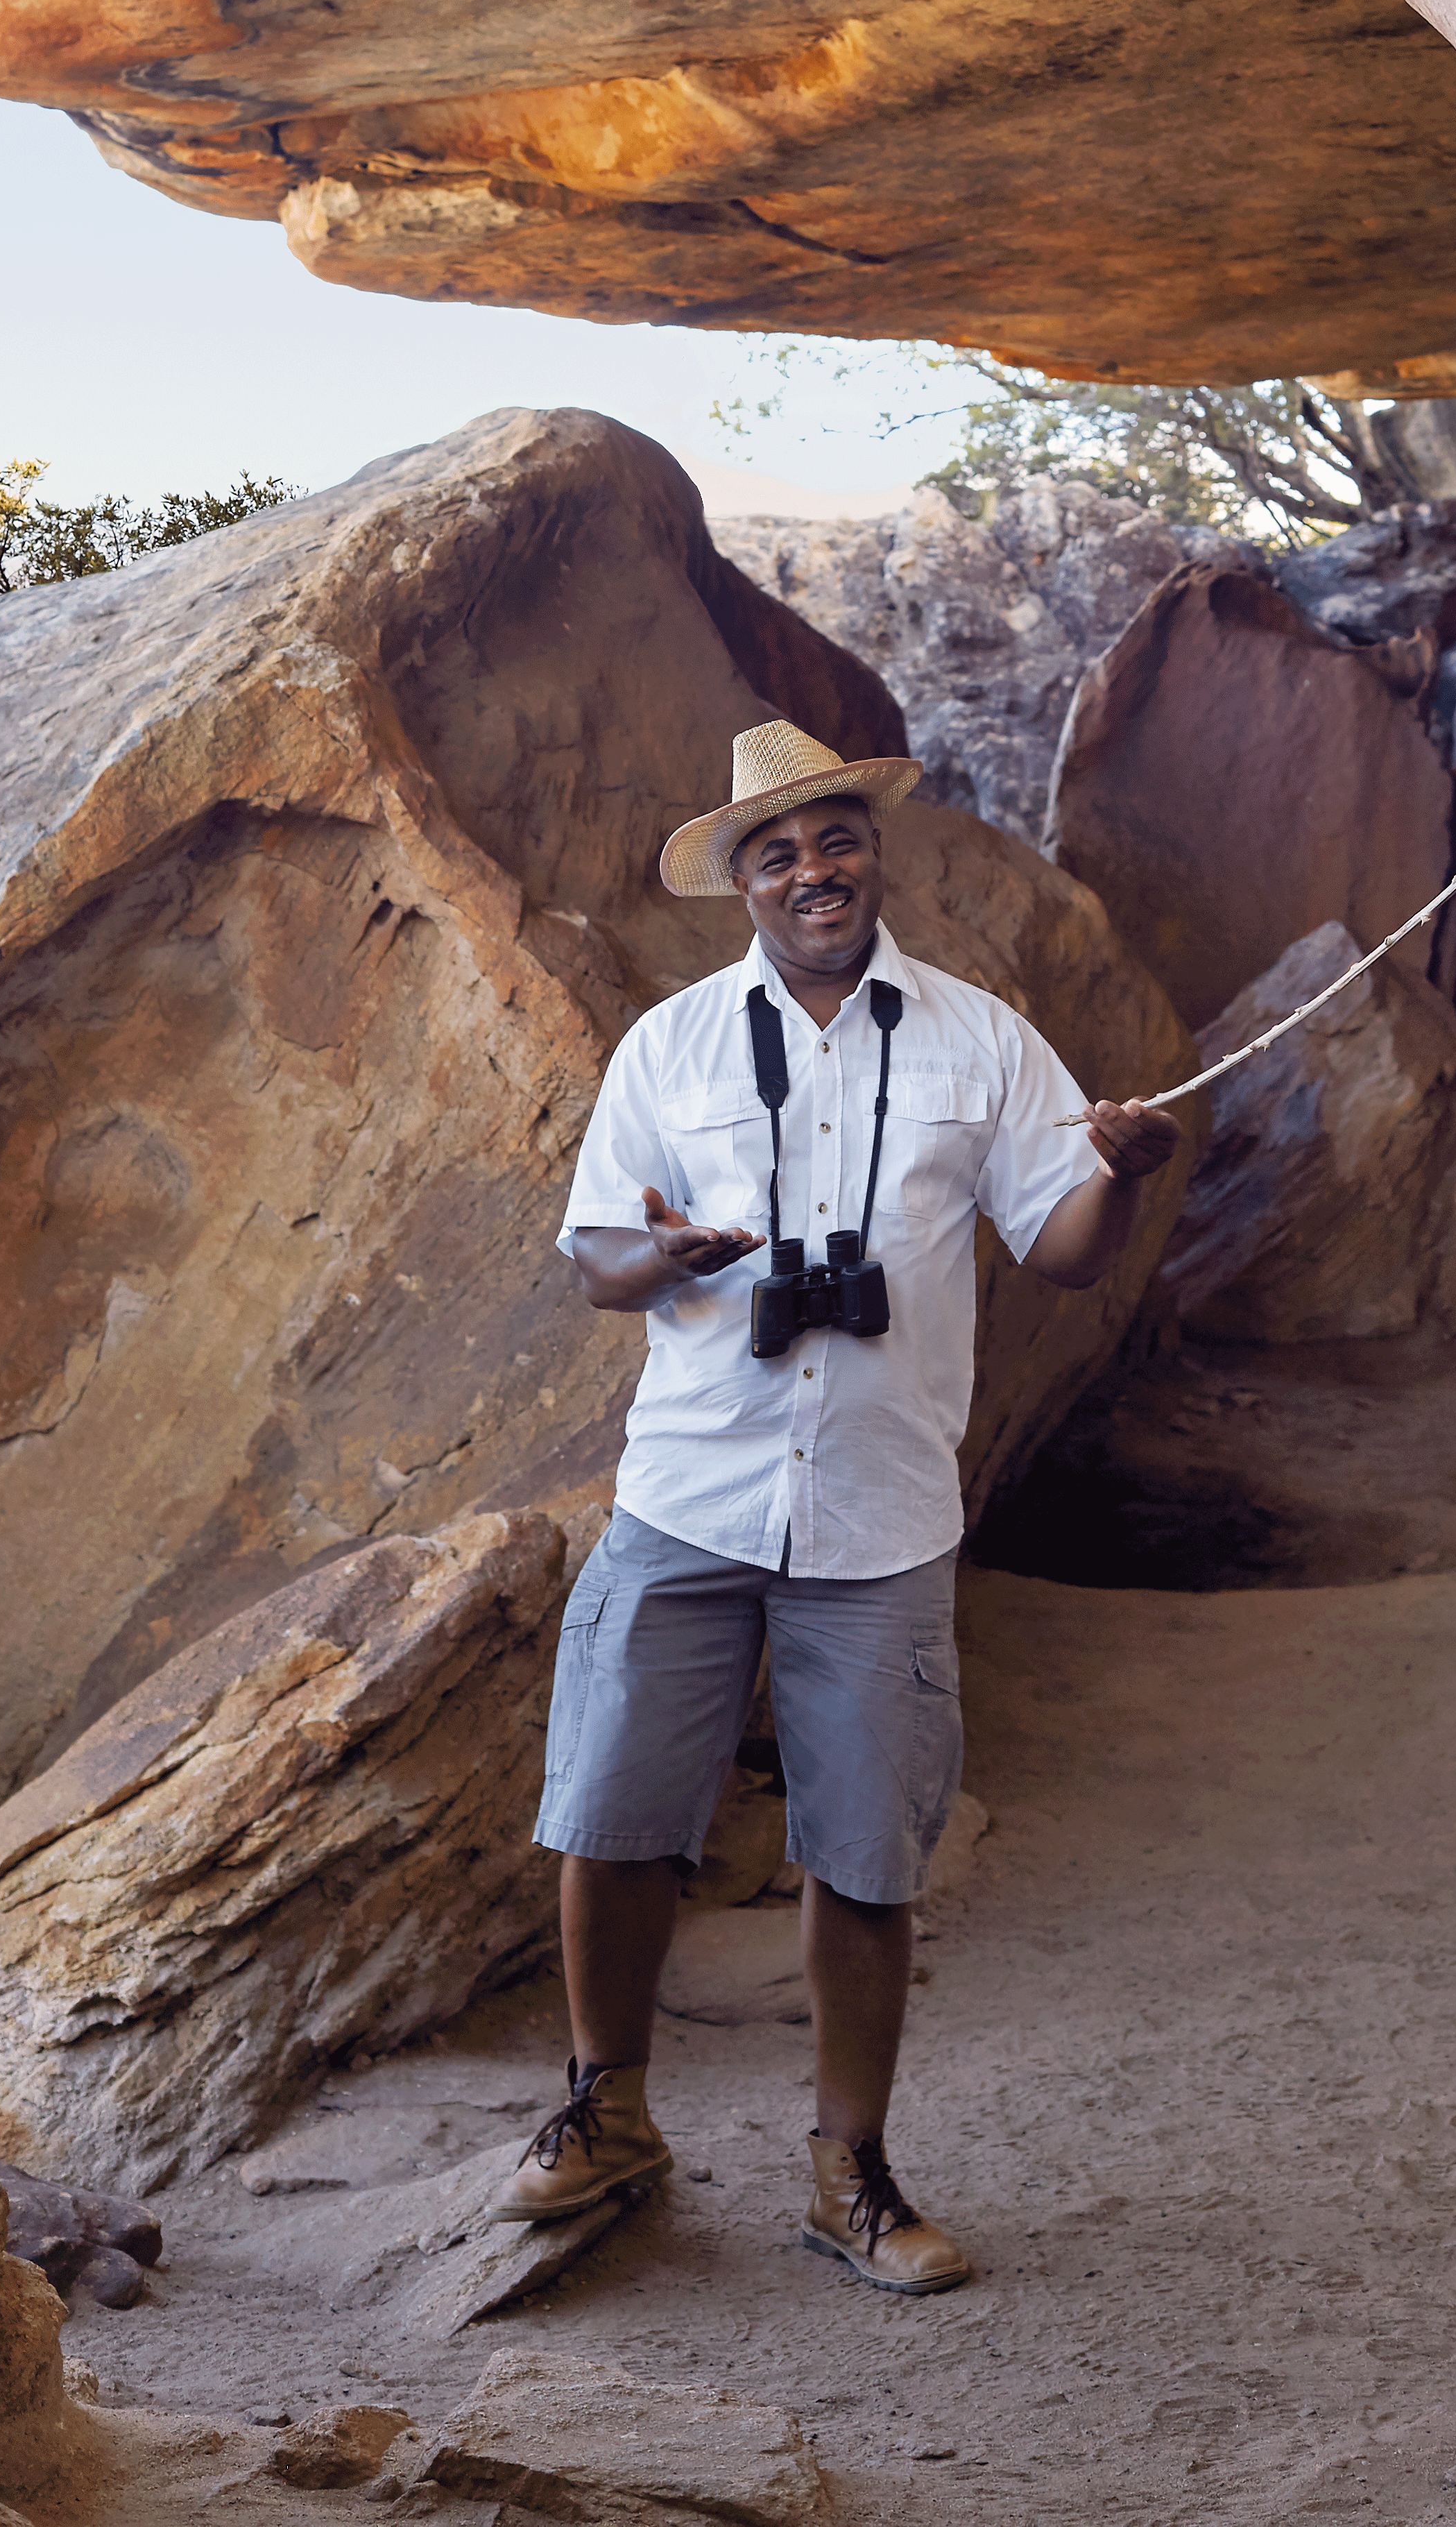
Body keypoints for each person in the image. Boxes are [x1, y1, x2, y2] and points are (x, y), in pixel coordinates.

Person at [490, 717, 1179, 2292]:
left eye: (837, 840)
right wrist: (662, 1258)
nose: (816, 870)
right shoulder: (668, 1046)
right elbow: (595, 1258)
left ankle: (847, 2172)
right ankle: (605, 2113)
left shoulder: (981, 1045)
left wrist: (1123, 1173)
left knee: (868, 1854)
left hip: (880, 1513)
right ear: (740, 882)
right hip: (690, 1489)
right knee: (609, 1819)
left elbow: (1059, 1249)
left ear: (880, 853)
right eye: (780, 851)